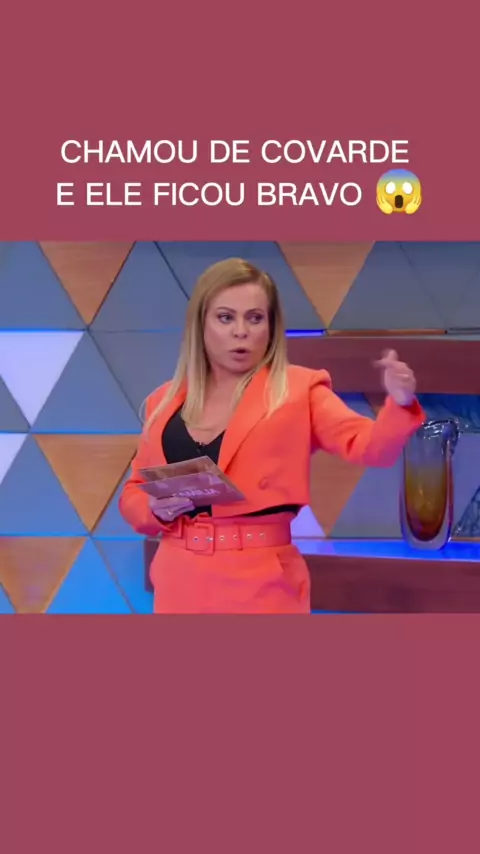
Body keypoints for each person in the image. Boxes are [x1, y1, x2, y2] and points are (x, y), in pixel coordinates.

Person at [119, 258, 425, 614]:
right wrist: (153, 509)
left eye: (255, 318)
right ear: (200, 324)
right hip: (179, 581)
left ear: (271, 326)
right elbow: (134, 492)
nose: (241, 332)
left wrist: (401, 402)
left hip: (262, 585)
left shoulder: (298, 390)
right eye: (225, 318)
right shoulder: (164, 401)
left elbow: (371, 448)